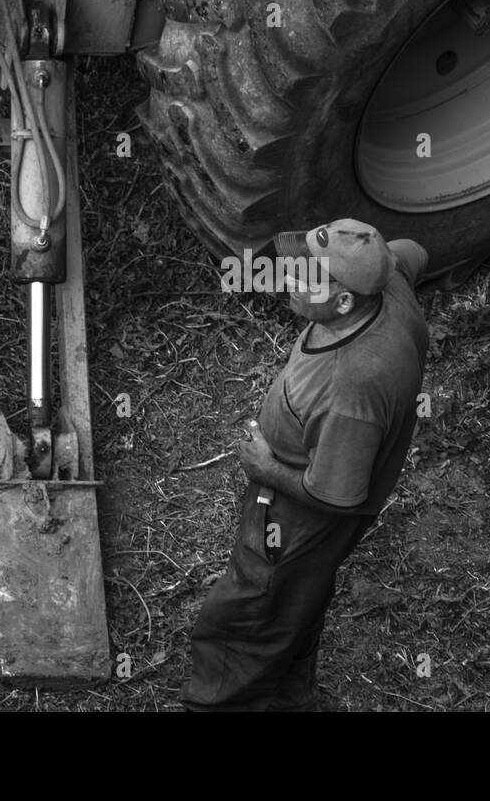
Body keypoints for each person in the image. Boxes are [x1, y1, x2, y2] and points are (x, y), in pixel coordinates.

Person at [180, 218, 429, 710]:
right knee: (299, 597)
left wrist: (264, 468)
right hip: (322, 471)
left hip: (302, 514)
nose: (287, 276)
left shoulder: (352, 389)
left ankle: (223, 700)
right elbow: (413, 250)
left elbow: (335, 496)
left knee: (253, 609)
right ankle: (292, 694)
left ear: (343, 302)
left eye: (306, 277)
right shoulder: (389, 278)